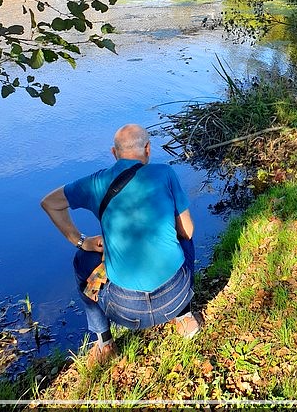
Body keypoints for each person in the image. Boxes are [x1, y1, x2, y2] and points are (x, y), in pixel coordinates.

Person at [41, 123, 200, 366]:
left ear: (113, 154)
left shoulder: (96, 182)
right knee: (184, 237)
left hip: (125, 310)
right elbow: (187, 231)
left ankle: (104, 342)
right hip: (174, 298)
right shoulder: (165, 173)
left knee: (83, 260)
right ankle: (185, 318)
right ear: (148, 149)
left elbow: (50, 203)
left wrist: (82, 241)